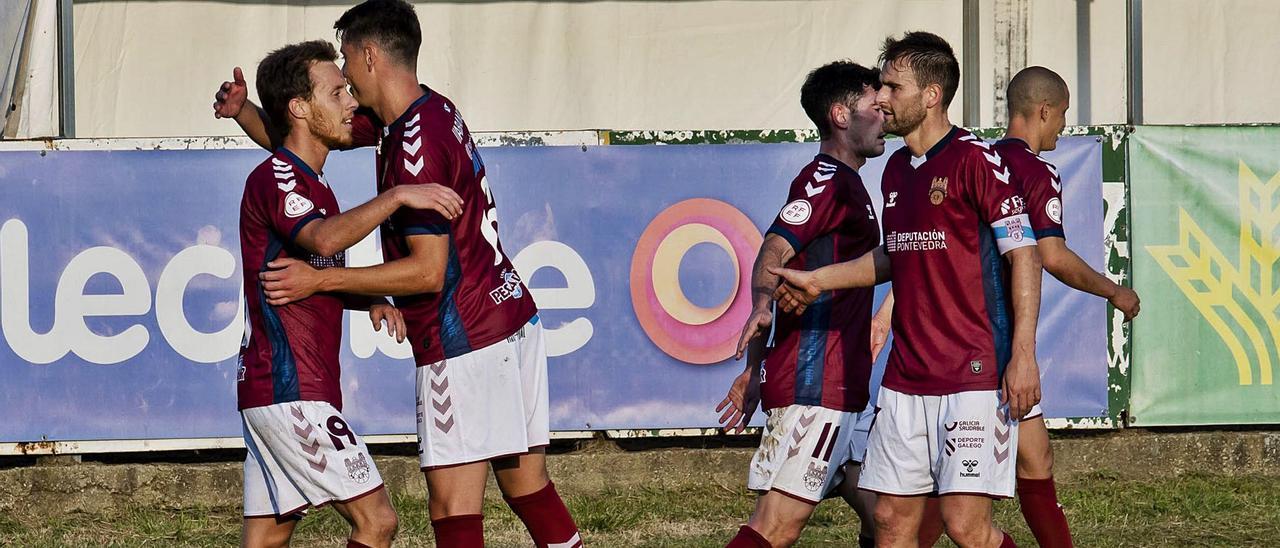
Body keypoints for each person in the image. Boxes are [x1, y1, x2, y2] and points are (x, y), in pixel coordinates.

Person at [214, 2, 582, 546]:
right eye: (333, 86)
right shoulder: (424, 113)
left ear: (367, 56)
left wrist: (324, 281)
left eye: (345, 67)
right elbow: (302, 136)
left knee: (449, 504)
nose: (344, 89)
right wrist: (249, 113)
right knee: (526, 483)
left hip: (464, 335)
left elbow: (428, 274)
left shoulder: (411, 148)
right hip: (508, 314)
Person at [764, 31, 1043, 548]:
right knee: (891, 522)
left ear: (931, 95)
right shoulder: (895, 169)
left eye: (893, 87)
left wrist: (1022, 353)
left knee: (966, 528)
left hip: (972, 374)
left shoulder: (976, 160)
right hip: (904, 377)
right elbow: (896, 255)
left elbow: (1024, 254)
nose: (882, 98)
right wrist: (817, 279)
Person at [234, 39, 463, 548]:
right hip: (290, 390)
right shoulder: (277, 177)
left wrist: (369, 299)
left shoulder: (314, 186)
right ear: (299, 108)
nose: (351, 102)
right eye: (336, 92)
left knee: (267, 540)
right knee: (377, 522)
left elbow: (310, 271)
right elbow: (323, 240)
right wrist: (400, 193)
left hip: (281, 391)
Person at [903, 65, 1141, 548]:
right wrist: (1114, 291)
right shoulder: (1035, 170)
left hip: (958, 335)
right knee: (957, 506)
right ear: (1044, 111)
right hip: (991, 344)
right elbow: (1050, 256)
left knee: (1033, 461)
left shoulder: (973, 157)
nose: (1062, 126)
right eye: (1063, 116)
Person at [718, 60, 885, 548]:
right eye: (874, 107)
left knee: (894, 524)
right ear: (840, 115)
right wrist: (761, 306)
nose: (884, 115)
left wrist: (755, 366)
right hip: (817, 384)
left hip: (847, 386)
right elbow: (774, 250)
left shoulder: (851, 183)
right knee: (774, 526)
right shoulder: (825, 179)